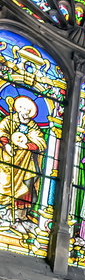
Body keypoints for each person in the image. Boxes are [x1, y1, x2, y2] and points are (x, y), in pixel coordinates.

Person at [0, 94, 47, 230]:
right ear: (18, 109)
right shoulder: (10, 120)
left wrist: (27, 146)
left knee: (27, 185)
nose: (26, 113)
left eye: (29, 111)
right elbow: (2, 132)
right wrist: (6, 145)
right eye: (24, 109)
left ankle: (20, 215)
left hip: (26, 162)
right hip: (8, 158)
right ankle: (4, 212)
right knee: (4, 183)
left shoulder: (33, 127)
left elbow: (41, 143)